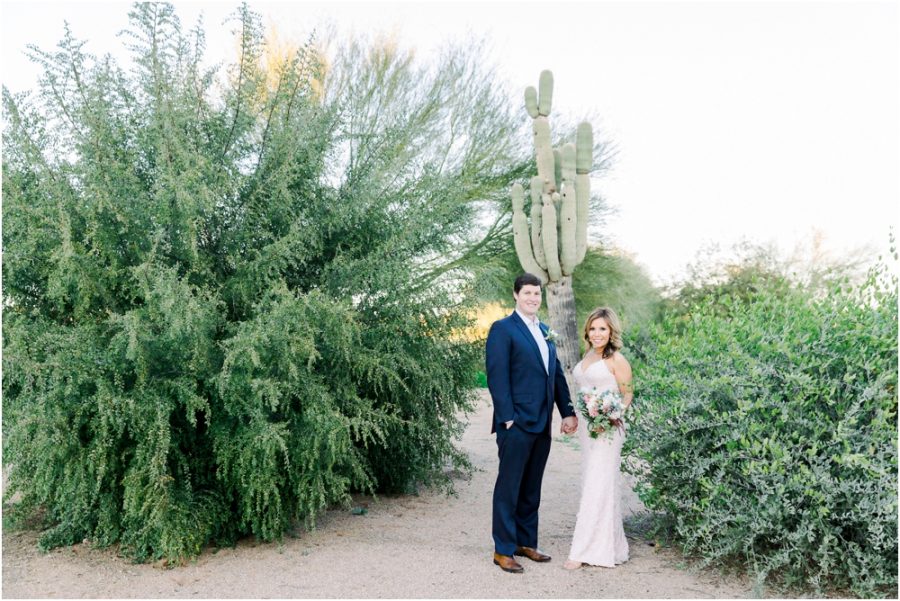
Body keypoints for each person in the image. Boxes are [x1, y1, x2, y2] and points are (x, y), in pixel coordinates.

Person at [485, 273, 578, 574]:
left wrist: (567, 411)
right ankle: (503, 550)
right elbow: (497, 376)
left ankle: (526, 543)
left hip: (542, 423)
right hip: (516, 423)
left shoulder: (547, 331)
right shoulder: (503, 329)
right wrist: (508, 418)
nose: (533, 298)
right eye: (527, 293)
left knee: (531, 487)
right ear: (515, 295)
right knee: (509, 487)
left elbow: (556, 376)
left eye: (537, 294)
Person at [564, 307, 633, 570]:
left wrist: (611, 414)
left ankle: (583, 551)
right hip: (587, 429)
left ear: (611, 331)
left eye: (602, 328)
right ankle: (611, 545)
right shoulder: (588, 356)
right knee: (595, 481)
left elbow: (627, 394)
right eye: (593, 328)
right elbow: (584, 391)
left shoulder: (617, 360)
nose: (596, 333)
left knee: (598, 482)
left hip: (608, 430)